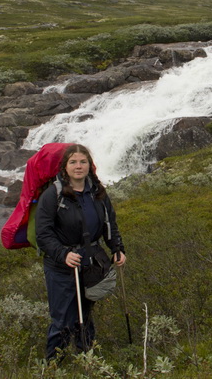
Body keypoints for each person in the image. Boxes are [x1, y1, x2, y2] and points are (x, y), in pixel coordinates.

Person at [35, 144, 126, 361]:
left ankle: (87, 359)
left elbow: (109, 224)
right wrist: (63, 254)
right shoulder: (52, 196)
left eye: (83, 162)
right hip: (61, 267)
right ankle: (53, 366)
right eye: (73, 162)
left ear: (89, 165)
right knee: (62, 319)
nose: (78, 166)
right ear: (65, 167)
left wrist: (117, 249)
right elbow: (43, 234)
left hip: (90, 263)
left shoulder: (98, 192)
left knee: (85, 314)